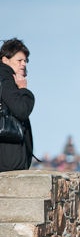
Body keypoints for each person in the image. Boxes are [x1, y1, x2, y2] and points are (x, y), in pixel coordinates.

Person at [0, 38, 35, 172]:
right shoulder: (5, 77)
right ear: (5, 60)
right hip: (8, 160)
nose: (23, 64)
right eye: (19, 60)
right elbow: (21, 110)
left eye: (25, 61)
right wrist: (24, 90)